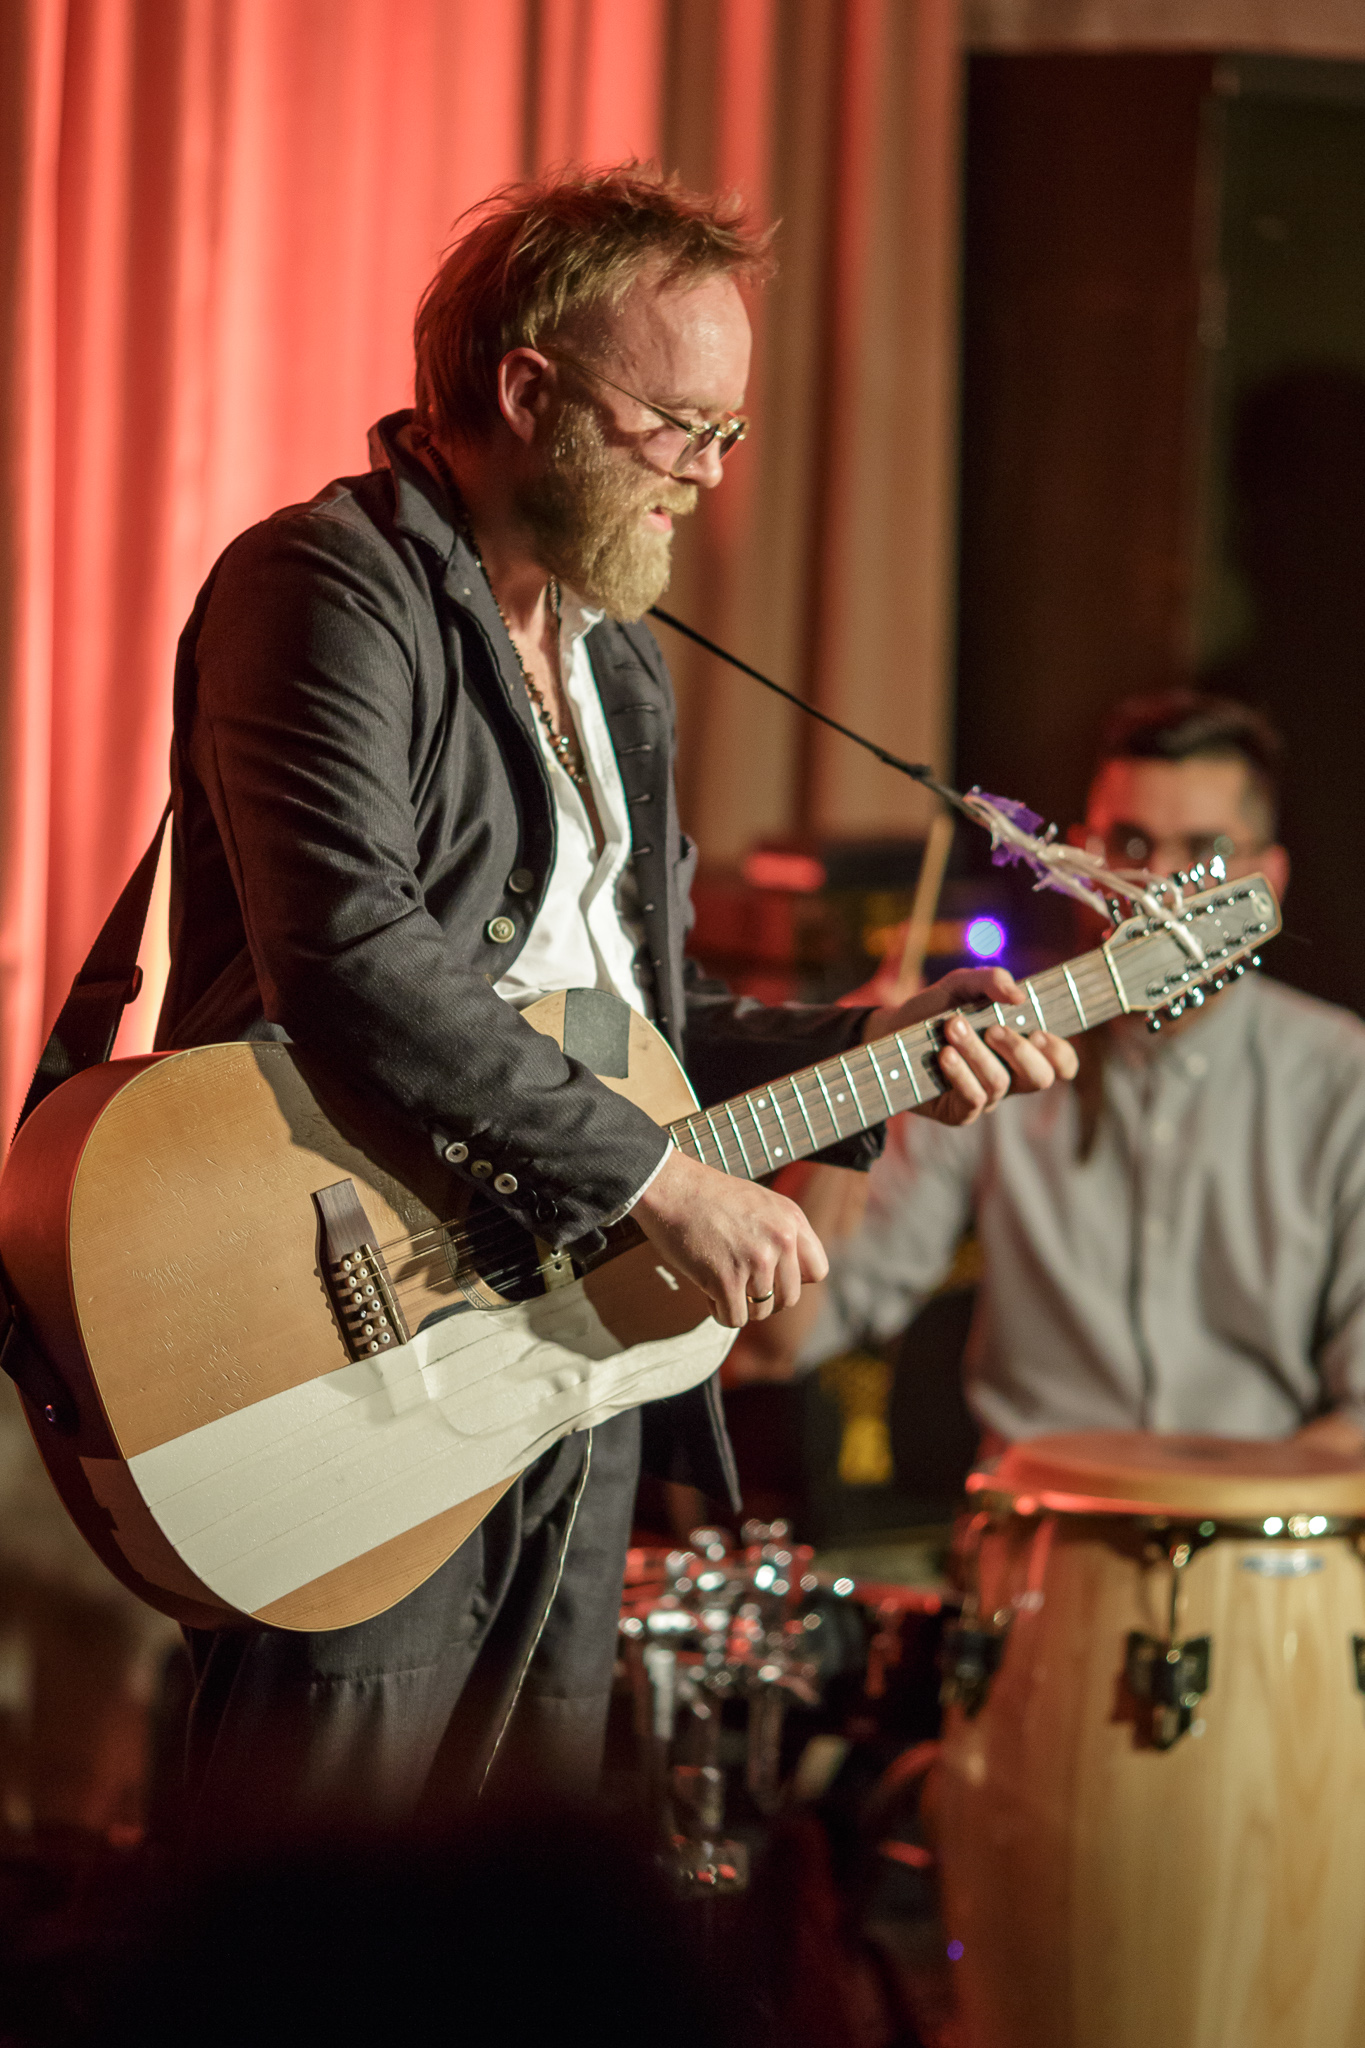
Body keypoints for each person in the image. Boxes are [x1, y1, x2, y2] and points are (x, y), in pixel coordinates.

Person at [156, 164, 1074, 1843]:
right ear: (528, 391)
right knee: (324, 1880)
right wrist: (660, 1179)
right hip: (343, 1325)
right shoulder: (324, 584)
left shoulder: (616, 659)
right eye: (680, 425)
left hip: (561, 1346)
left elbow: (633, 1016)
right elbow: (352, 951)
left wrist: (874, 1043)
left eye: (731, 431)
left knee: (515, 1883)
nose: (712, 473)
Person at [733, 691, 1365, 1463]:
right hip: (1031, 1521)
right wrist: (856, 1077)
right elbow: (777, 1345)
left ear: (1265, 880)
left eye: (1202, 851)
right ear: (1077, 861)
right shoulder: (994, 1048)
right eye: (1129, 844)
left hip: (1255, 1518)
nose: (1157, 887)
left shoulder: (1342, 1077)